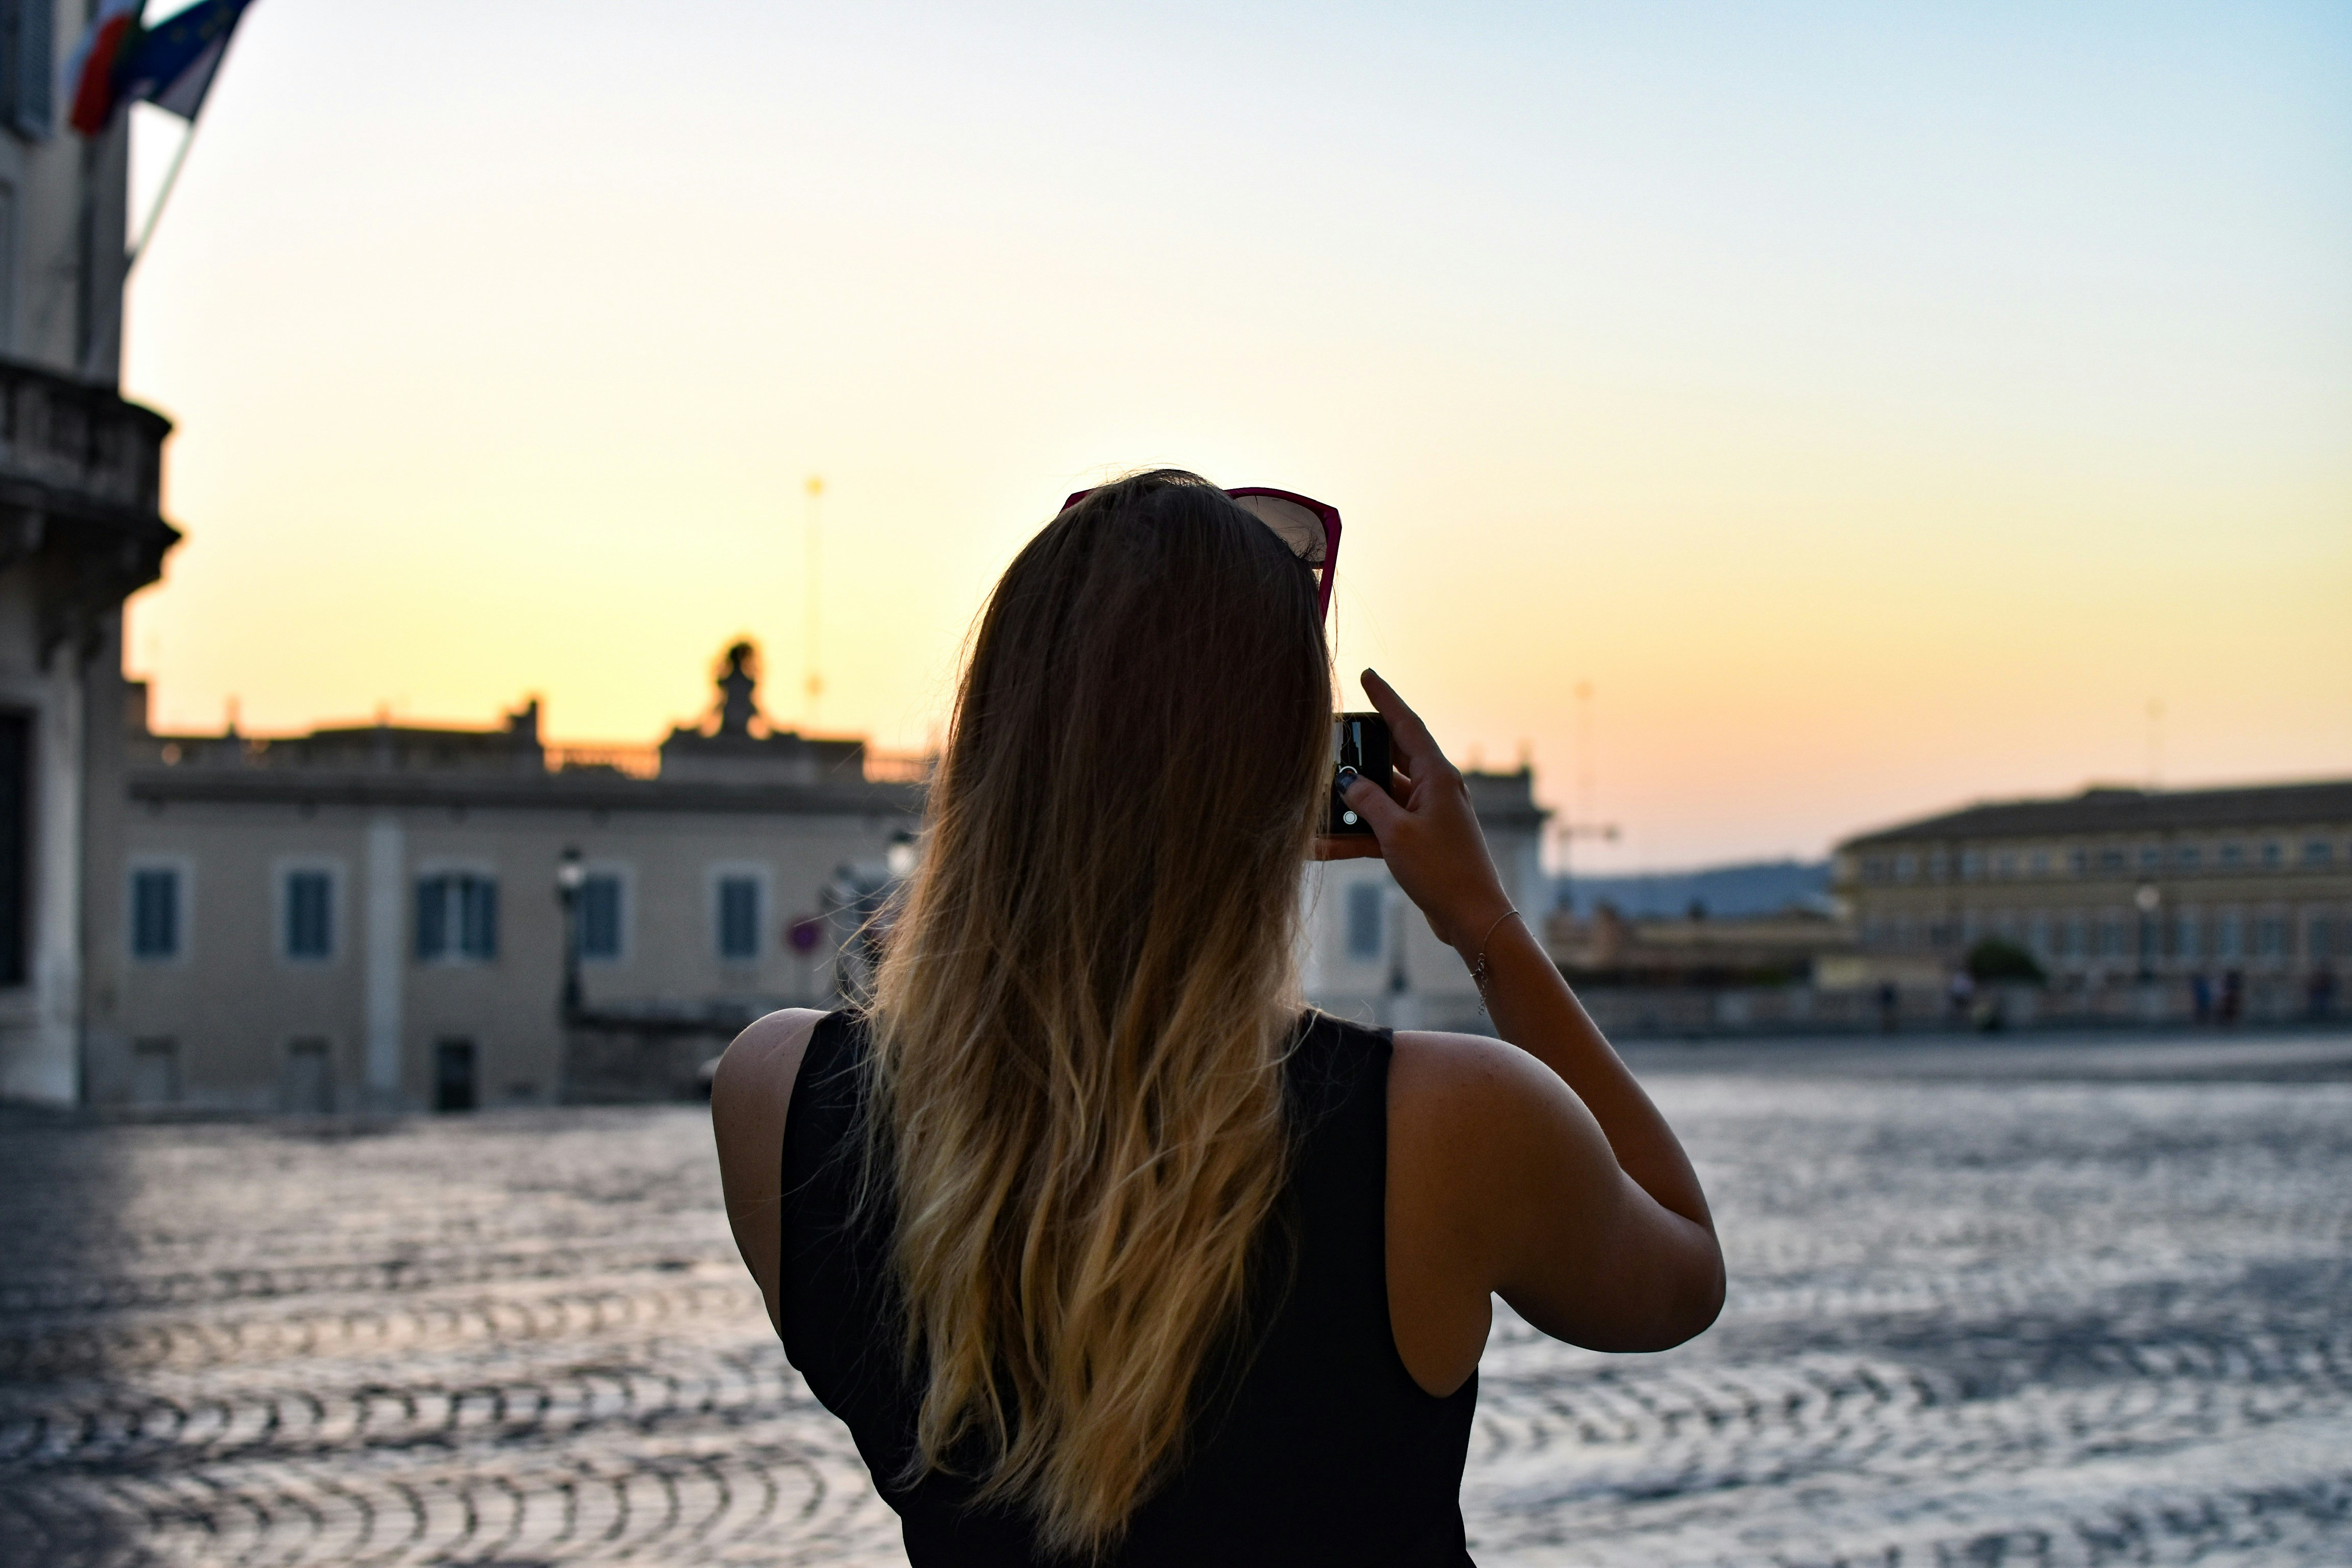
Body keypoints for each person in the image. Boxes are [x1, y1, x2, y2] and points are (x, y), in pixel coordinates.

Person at [710, 471, 1723, 1566]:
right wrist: (1482, 922)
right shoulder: (1446, 1124)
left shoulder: (773, 1099)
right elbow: (1681, 1269)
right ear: (1292, 777)